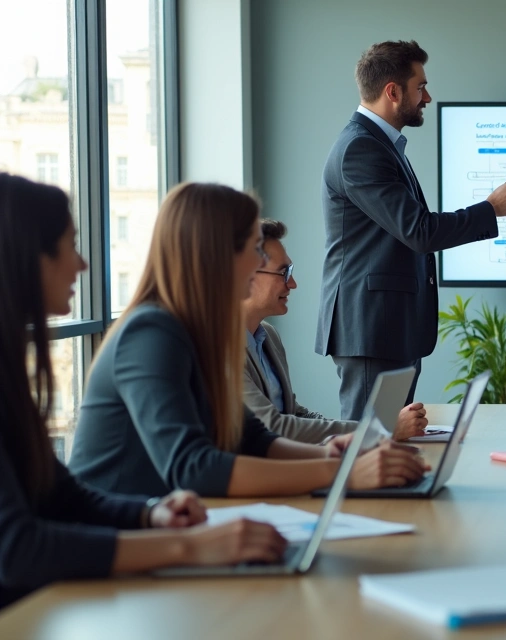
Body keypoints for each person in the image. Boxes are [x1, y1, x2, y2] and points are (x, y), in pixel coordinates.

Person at [0, 174, 288, 607]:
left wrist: (150, 514)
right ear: (27, 257)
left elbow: (59, 493)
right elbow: (16, 549)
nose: (82, 263)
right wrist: (192, 547)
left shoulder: (10, 370)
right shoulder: (151, 332)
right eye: (68, 244)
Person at [69, 183, 429, 498]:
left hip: (166, 520)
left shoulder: (195, 333)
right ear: (218, 256)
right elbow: (194, 466)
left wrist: (338, 452)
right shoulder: (150, 333)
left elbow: (252, 438)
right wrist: (343, 471)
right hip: (122, 535)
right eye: (256, 249)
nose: (261, 262)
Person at [315, 39, 506, 419]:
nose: (427, 97)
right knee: (369, 446)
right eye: (421, 86)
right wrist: (491, 209)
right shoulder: (361, 150)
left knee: (390, 444)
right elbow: (420, 231)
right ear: (392, 92)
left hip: (389, 326)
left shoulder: (382, 145)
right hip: (372, 328)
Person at [243, 219, 427, 444]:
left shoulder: (268, 336)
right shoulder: (218, 351)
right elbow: (274, 427)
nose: (292, 284)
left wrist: (365, 431)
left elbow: (294, 413)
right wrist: (378, 430)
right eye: (283, 272)